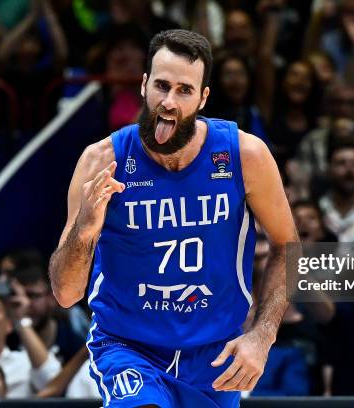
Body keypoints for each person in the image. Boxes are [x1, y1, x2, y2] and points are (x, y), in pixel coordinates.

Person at [49, 29, 296, 407]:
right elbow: (66, 294)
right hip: (129, 346)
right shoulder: (101, 161)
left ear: (203, 98)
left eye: (184, 90)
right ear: (144, 85)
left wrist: (261, 337)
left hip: (214, 351)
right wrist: (86, 228)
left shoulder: (244, 155)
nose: (168, 101)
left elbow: (287, 246)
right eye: (161, 85)